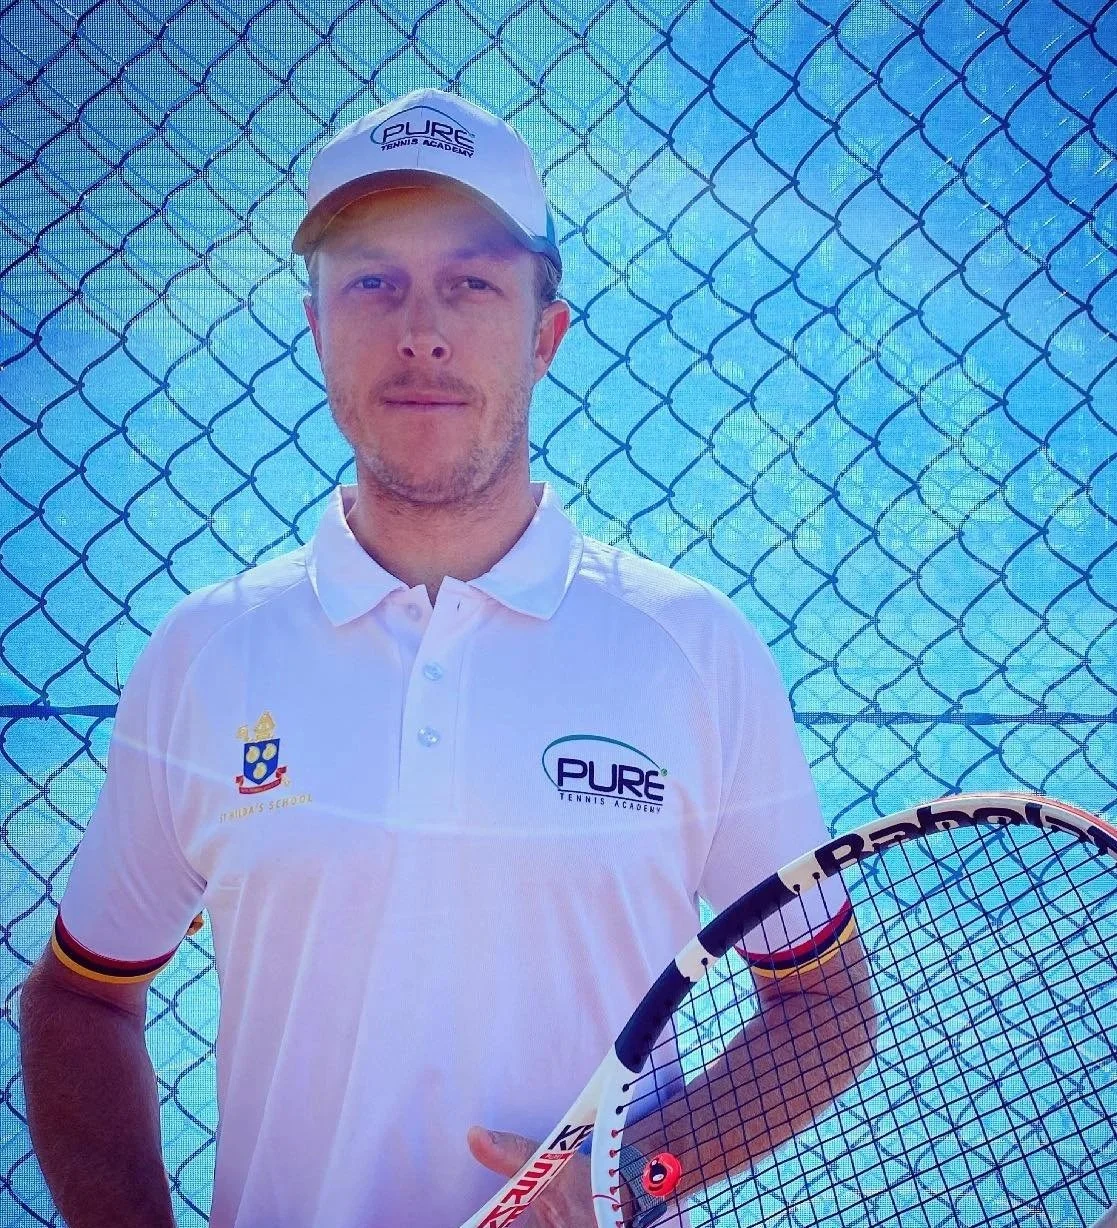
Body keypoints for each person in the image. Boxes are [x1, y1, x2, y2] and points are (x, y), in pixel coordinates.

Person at [19, 88, 874, 1228]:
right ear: (318, 326)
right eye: (372, 281)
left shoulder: (693, 651)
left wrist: (632, 1170)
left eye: (469, 282)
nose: (420, 327)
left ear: (544, 332)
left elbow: (824, 1004)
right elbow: (80, 1003)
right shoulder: (206, 655)